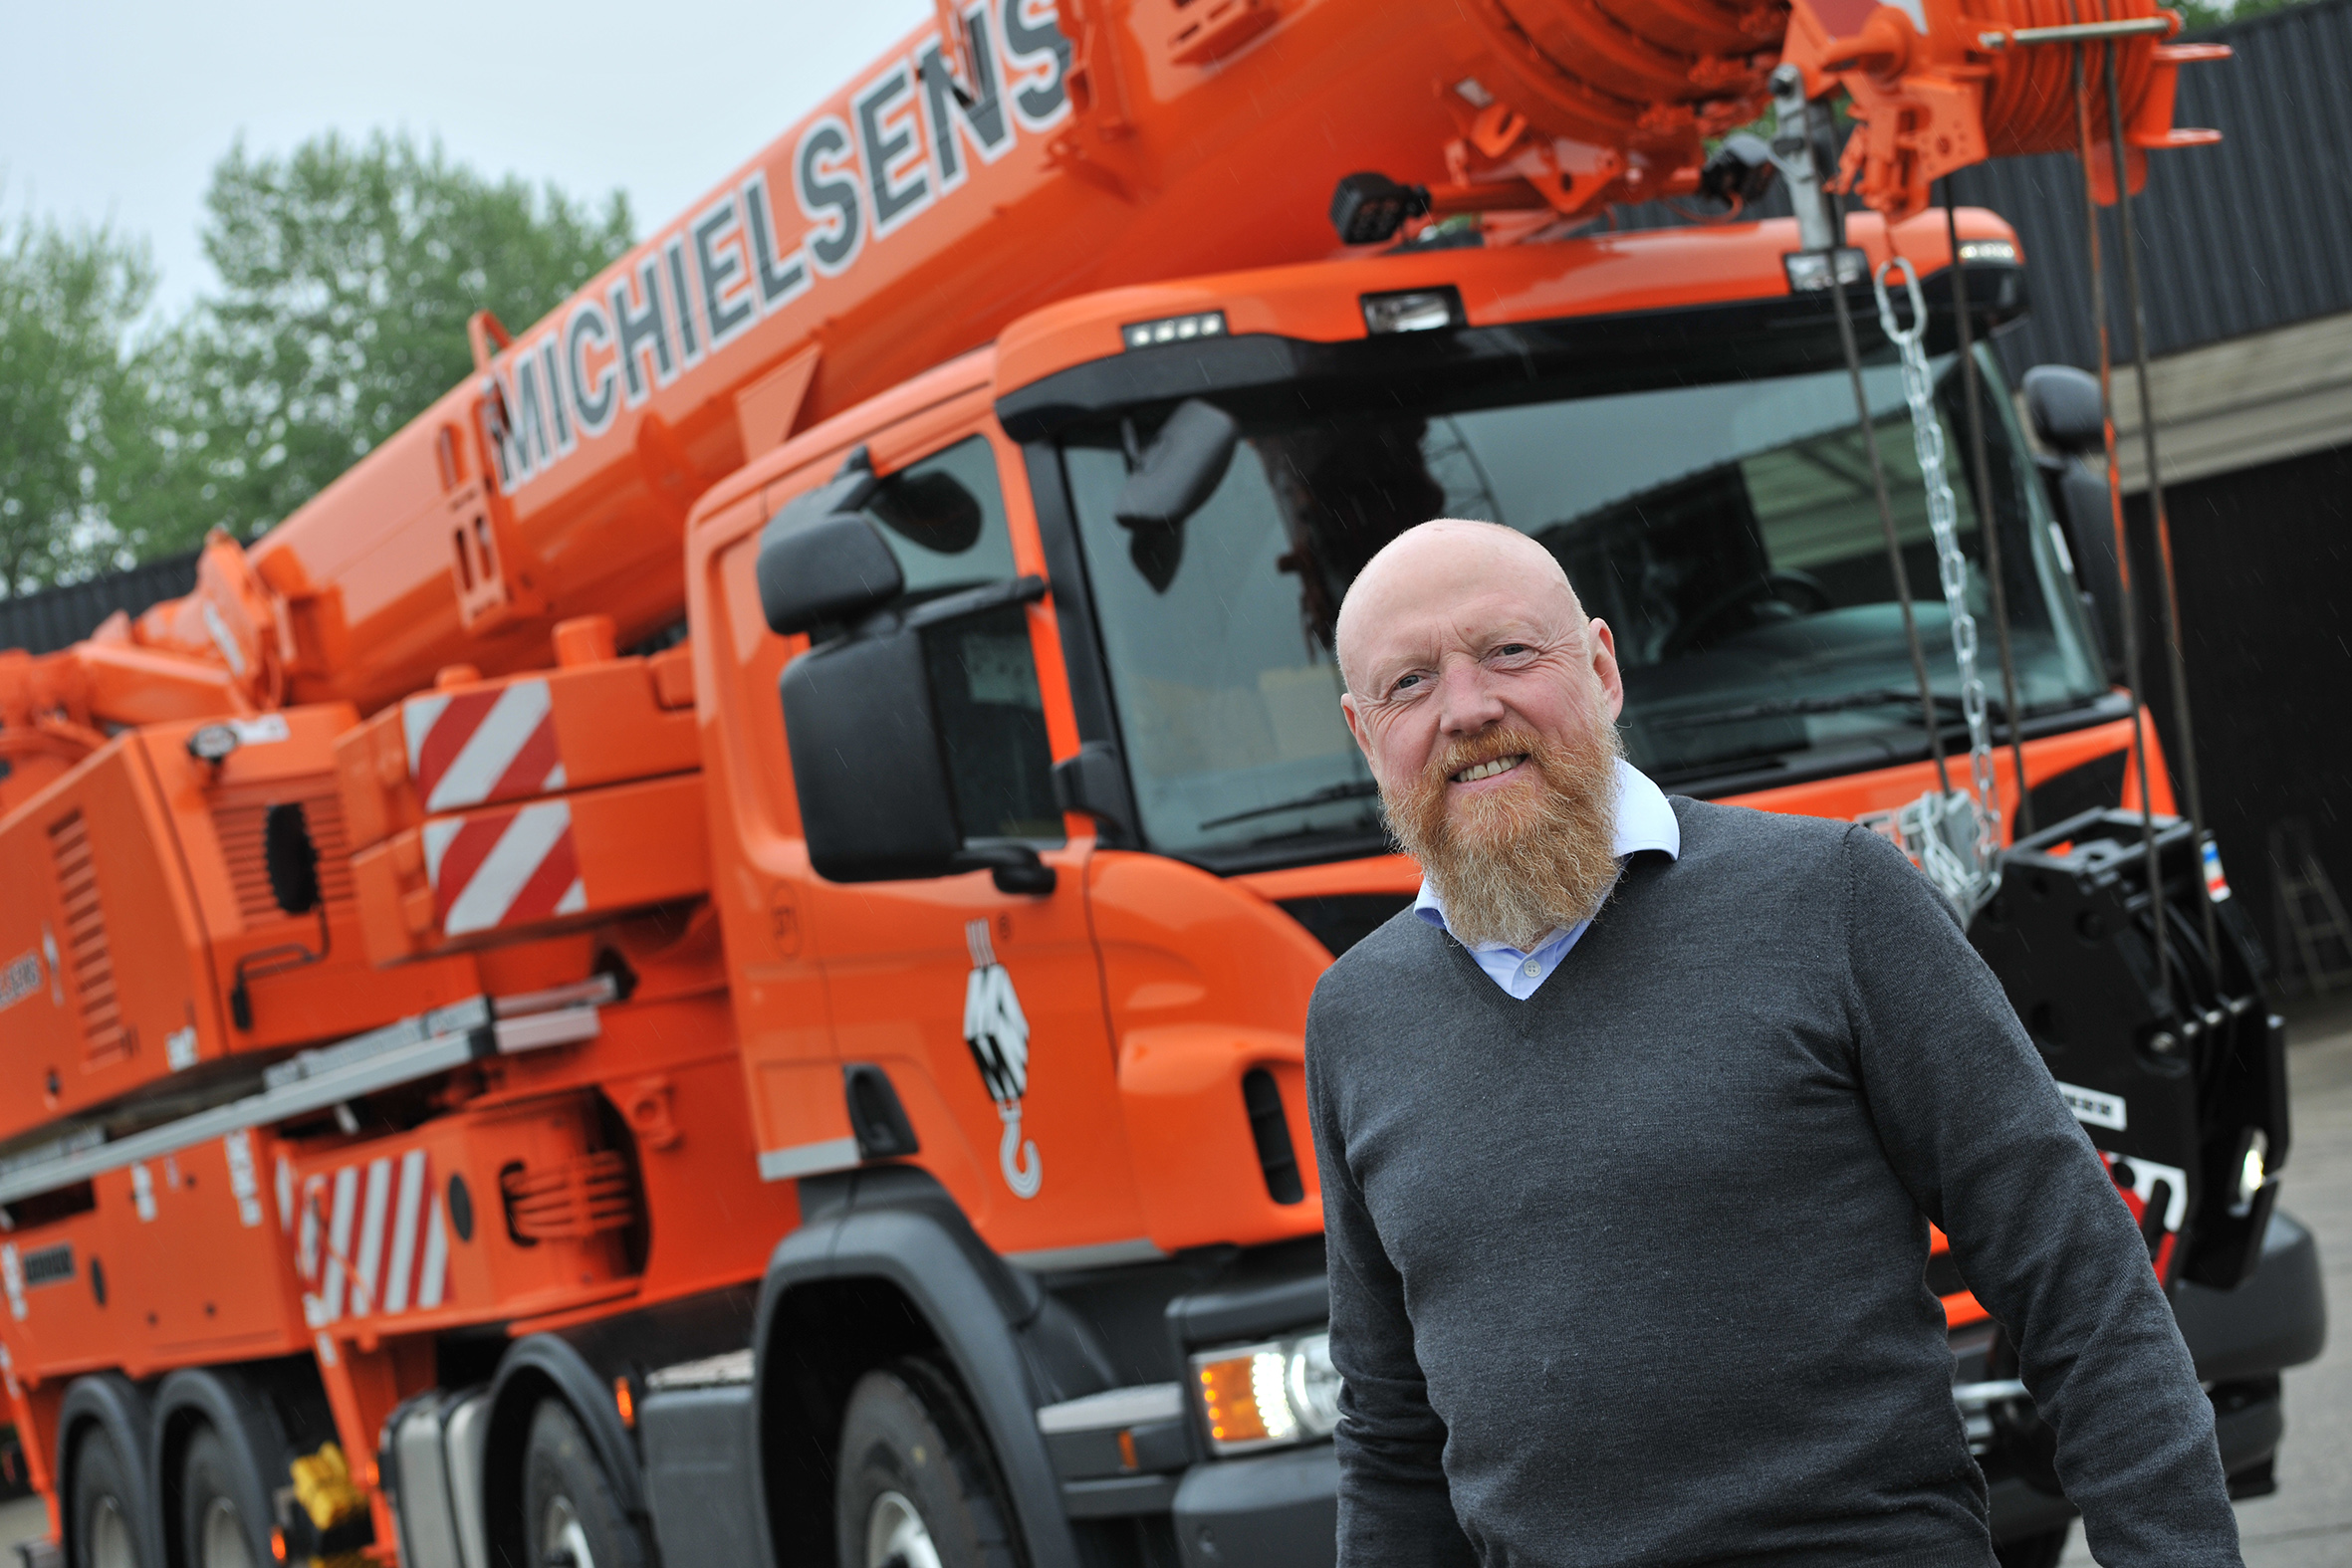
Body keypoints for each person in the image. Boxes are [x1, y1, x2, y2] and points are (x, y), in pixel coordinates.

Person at [1303, 518, 2239, 1566]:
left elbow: (2077, 1281)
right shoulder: (1355, 1018)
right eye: (1410, 683)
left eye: (1510, 653)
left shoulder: (1834, 898)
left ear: (1603, 669)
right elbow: (1390, 1440)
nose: (1467, 709)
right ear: (1363, 732)